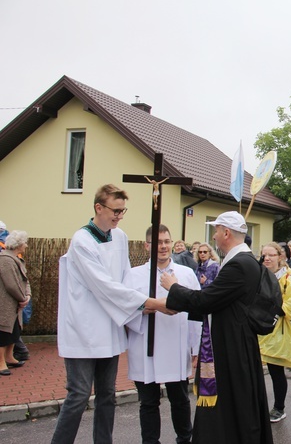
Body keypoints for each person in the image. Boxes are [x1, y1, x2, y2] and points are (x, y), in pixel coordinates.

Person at [52, 183, 172, 444]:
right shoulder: (82, 241)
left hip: (110, 325)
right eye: (115, 211)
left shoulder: (119, 236)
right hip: (83, 329)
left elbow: (125, 279)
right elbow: (103, 286)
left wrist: (142, 304)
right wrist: (150, 303)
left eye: (122, 211)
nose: (119, 216)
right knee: (79, 395)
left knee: (107, 394)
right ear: (98, 207)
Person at [158, 211, 273, 443]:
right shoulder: (245, 261)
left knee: (233, 402)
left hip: (232, 345)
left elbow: (205, 301)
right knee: (238, 402)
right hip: (236, 341)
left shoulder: (238, 265)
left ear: (227, 233)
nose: (214, 237)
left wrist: (174, 288)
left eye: (216, 231)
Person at [124, 224, 201, 444]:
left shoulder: (185, 274)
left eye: (167, 241)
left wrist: (195, 347)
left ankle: (185, 439)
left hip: (176, 345)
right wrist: (150, 307)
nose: (164, 246)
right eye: (158, 242)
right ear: (147, 245)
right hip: (145, 345)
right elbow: (124, 309)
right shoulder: (133, 275)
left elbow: (196, 311)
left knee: (180, 399)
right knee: (148, 402)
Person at [259, 242, 291, 423]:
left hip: (277, 332)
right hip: (256, 331)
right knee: (254, 373)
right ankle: (257, 405)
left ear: (280, 257)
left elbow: (289, 308)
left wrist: (267, 307)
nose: (267, 258)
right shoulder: (257, 277)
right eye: (264, 255)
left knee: (276, 372)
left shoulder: (288, 281)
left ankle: (279, 407)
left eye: (271, 255)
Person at [0, 230, 31, 376]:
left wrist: (27, 296)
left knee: (14, 331)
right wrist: (22, 298)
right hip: (6, 303)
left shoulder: (16, 259)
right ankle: (1, 363)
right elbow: (11, 284)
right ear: (18, 244)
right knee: (4, 333)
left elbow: (26, 281)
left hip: (16, 303)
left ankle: (9, 357)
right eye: (24, 242)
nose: (26, 245)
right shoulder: (5, 259)